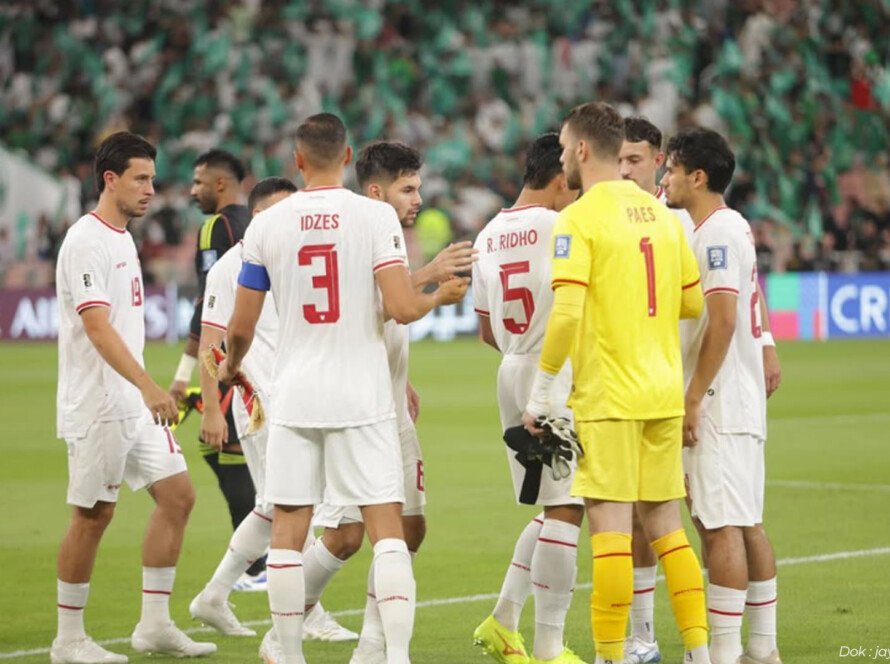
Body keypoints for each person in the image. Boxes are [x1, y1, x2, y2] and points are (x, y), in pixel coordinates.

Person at [218, 113, 469, 664]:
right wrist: (437, 299)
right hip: (362, 396)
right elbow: (401, 307)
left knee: (288, 530)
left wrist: (229, 366)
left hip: (296, 396)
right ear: (350, 156)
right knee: (388, 532)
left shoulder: (267, 226)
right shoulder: (373, 217)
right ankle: (394, 656)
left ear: (298, 161)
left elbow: (239, 328)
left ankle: (287, 652)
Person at [520, 102, 709, 664]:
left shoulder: (577, 218)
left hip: (609, 396)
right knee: (668, 528)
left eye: (562, 150)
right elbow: (693, 302)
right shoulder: (660, 215)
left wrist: (541, 394)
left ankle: (608, 654)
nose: (560, 160)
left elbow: (568, 314)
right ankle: (701, 653)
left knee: (609, 533)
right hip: (662, 392)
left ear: (580, 150)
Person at [620, 117, 782, 664]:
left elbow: (723, 321)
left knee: (717, 526)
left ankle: (726, 651)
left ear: (698, 175)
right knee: (743, 520)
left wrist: (692, 397)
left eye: (670, 167)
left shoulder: (714, 233)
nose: (664, 176)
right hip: (734, 397)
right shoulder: (719, 226)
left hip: (716, 400)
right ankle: (762, 645)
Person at [52, 131, 215, 663]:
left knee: (179, 496)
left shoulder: (122, 236)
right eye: (141, 178)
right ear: (110, 179)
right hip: (100, 402)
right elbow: (98, 329)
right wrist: (149, 386)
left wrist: (142, 390)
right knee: (93, 514)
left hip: (133, 403)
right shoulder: (86, 240)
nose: (152, 189)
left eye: (152, 177)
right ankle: (68, 639)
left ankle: (154, 624)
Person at [187, 176, 356, 642]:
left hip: (296, 397)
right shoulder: (229, 267)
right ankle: (307, 610)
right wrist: (210, 409)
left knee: (272, 505)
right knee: (297, 506)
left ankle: (215, 595)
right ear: (260, 217)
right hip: (261, 402)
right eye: (285, 211)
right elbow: (211, 340)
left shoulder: (290, 259)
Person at [470, 133, 585, 664]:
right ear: (559, 179)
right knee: (567, 509)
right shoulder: (564, 225)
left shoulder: (488, 234)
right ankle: (548, 647)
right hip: (553, 372)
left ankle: (503, 620)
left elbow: (486, 329)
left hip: (510, 367)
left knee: (551, 505)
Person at [169, 149, 265, 587]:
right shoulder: (256, 227)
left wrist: (184, 376)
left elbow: (205, 306)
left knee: (226, 449)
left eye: (198, 182)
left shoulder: (217, 227)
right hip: (261, 355)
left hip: (231, 360)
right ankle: (257, 559)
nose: (193, 191)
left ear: (221, 184)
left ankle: (256, 565)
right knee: (227, 451)